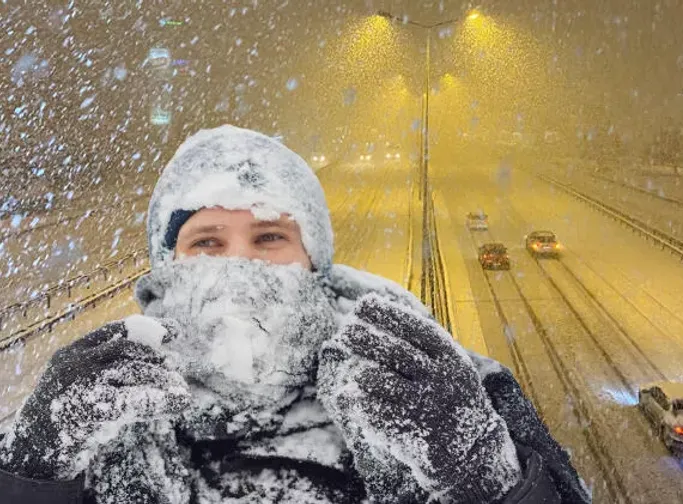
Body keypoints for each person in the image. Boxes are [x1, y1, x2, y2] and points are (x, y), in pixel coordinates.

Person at [0, 125, 591, 503]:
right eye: (207, 242)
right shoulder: (97, 403)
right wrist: (27, 474)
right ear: (167, 264)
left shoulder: (439, 385)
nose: (240, 266)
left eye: (268, 239)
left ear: (314, 261)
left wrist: (487, 479)